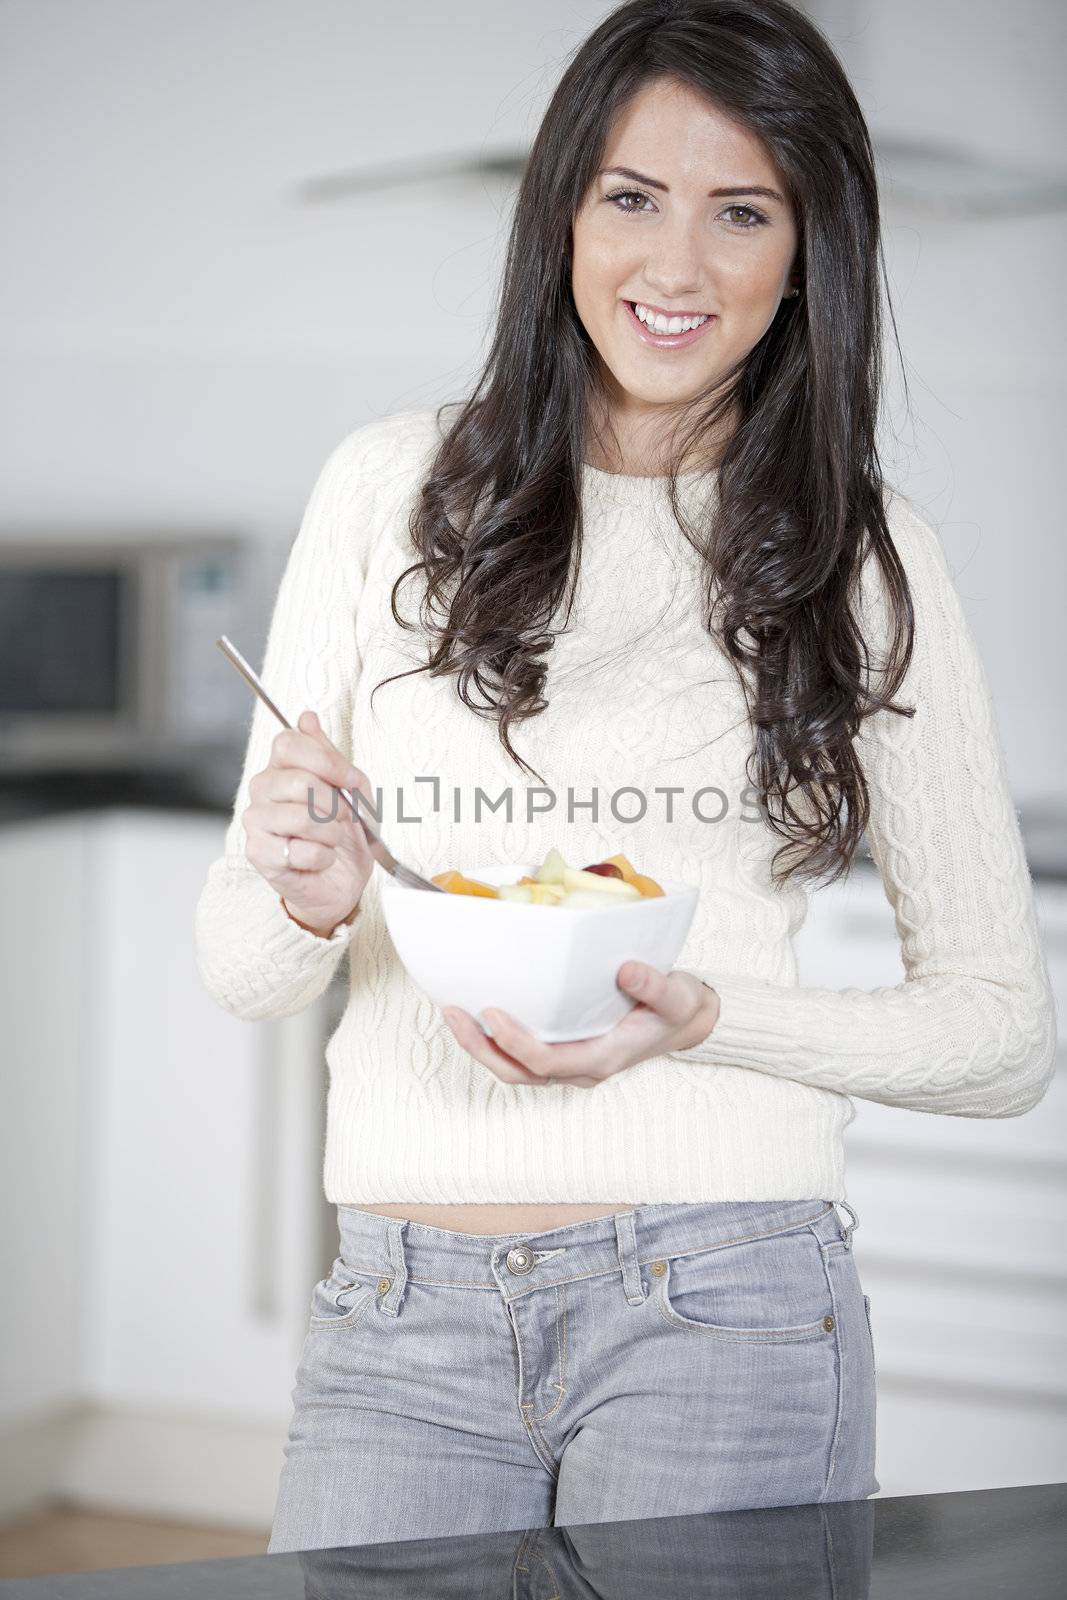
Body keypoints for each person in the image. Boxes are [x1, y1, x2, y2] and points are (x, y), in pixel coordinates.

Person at [194, 0, 1056, 1553]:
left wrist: (715, 1020)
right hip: (401, 1312)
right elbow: (243, 970)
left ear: (809, 254)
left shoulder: (867, 560)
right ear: (563, 215)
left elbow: (1004, 1039)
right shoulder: (389, 489)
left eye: (742, 213)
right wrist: (299, 887)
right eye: (631, 199)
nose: (675, 268)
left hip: (724, 1302)